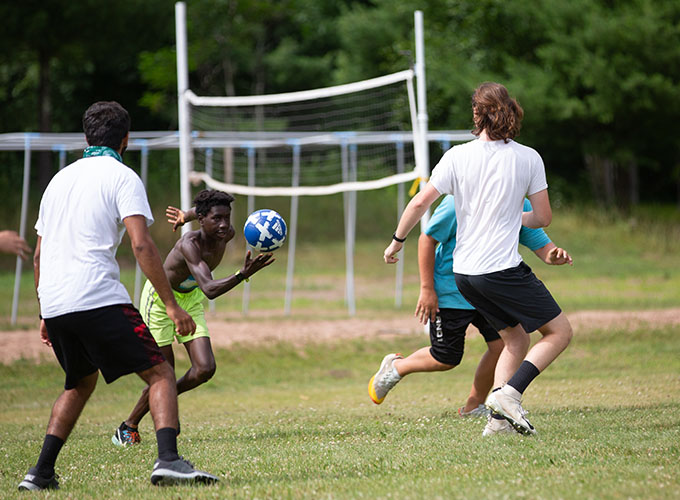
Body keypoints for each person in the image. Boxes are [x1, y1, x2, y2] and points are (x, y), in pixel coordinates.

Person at [19, 101, 218, 491]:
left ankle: (40, 473)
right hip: (96, 296)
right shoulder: (121, 176)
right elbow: (142, 246)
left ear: (86, 137)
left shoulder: (57, 181)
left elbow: (40, 254)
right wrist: (172, 305)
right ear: (125, 139)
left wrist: (44, 312)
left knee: (78, 383)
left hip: (57, 302)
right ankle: (169, 460)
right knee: (161, 372)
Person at [382, 82, 574, 437]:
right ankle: (511, 394)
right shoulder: (529, 157)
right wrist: (514, 217)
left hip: (464, 276)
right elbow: (543, 218)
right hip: (501, 270)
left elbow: (420, 203)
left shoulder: (457, 156)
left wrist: (396, 241)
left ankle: (498, 421)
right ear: (513, 111)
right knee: (560, 332)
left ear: (476, 114)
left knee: (515, 340)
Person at [369, 195, 572, 435]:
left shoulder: (518, 200)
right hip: (450, 290)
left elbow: (540, 245)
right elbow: (427, 239)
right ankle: (397, 367)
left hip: (491, 289)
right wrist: (427, 289)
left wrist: (553, 255)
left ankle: (476, 406)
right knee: (446, 358)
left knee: (502, 345)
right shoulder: (458, 200)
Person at [113, 189, 274, 446]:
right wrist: (242, 275)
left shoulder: (227, 234)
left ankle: (166, 399)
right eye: (216, 219)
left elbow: (203, 289)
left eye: (227, 218)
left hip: (191, 299)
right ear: (202, 220)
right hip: (161, 301)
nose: (223, 225)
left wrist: (186, 214)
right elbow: (210, 289)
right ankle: (128, 426)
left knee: (205, 368)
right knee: (163, 374)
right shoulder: (190, 245)